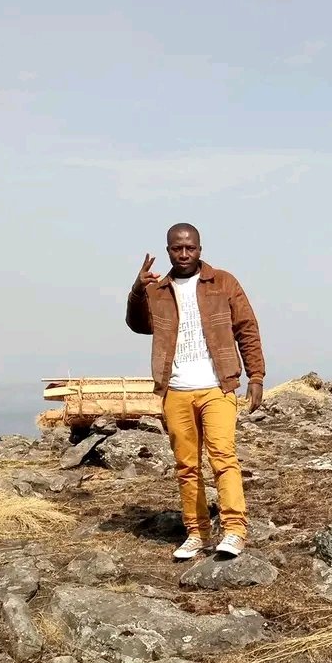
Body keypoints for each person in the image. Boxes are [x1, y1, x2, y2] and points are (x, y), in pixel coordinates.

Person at [126, 222, 265, 561]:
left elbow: (247, 327)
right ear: (169, 250)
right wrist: (136, 290)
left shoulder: (223, 282)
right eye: (177, 248)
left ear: (200, 249)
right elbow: (138, 324)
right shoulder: (157, 290)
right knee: (186, 466)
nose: (184, 253)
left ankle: (233, 530)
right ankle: (197, 531)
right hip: (175, 390)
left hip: (217, 386)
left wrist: (256, 376)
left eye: (190, 247)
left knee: (223, 458)